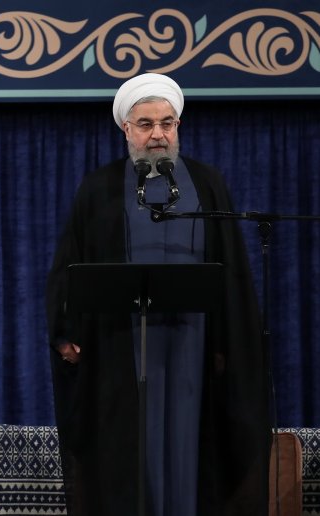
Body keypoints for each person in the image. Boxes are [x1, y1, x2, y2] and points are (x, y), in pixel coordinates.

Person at [46, 73, 270, 516]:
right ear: (126, 129)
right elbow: (70, 263)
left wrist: (227, 342)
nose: (157, 135)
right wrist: (65, 330)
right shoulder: (99, 188)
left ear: (177, 126)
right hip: (119, 345)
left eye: (167, 123)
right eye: (146, 124)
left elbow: (232, 270)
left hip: (193, 345)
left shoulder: (206, 183)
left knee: (192, 448)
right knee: (127, 452)